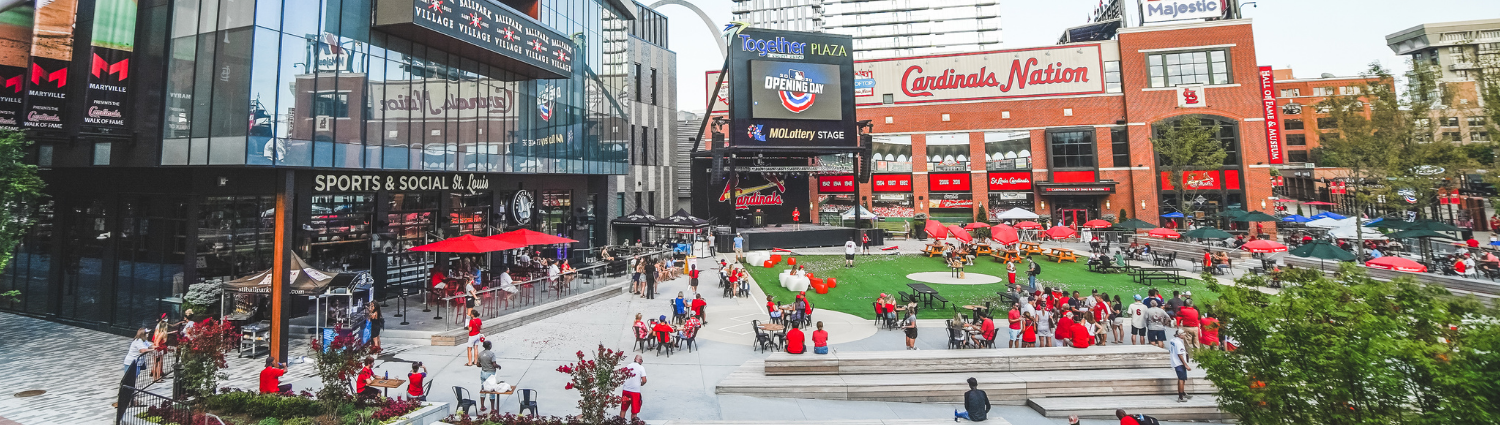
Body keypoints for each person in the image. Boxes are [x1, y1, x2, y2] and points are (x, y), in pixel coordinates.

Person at [620, 355, 647, 421]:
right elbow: (644, 380)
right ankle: (634, 422)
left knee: (623, 409)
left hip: (626, 390)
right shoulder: (641, 367)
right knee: (634, 411)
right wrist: (641, 384)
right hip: (635, 392)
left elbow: (623, 376)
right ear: (640, 361)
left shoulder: (628, 366)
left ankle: (620, 422)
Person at [1168, 329, 1193, 402]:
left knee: (1181, 378)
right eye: (1183, 334)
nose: (1185, 335)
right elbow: (1180, 354)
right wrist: (1185, 364)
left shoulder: (1172, 340)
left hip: (1175, 362)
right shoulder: (1179, 343)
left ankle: (1183, 392)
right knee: (1181, 379)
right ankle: (1181, 396)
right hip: (1179, 363)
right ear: (1180, 335)